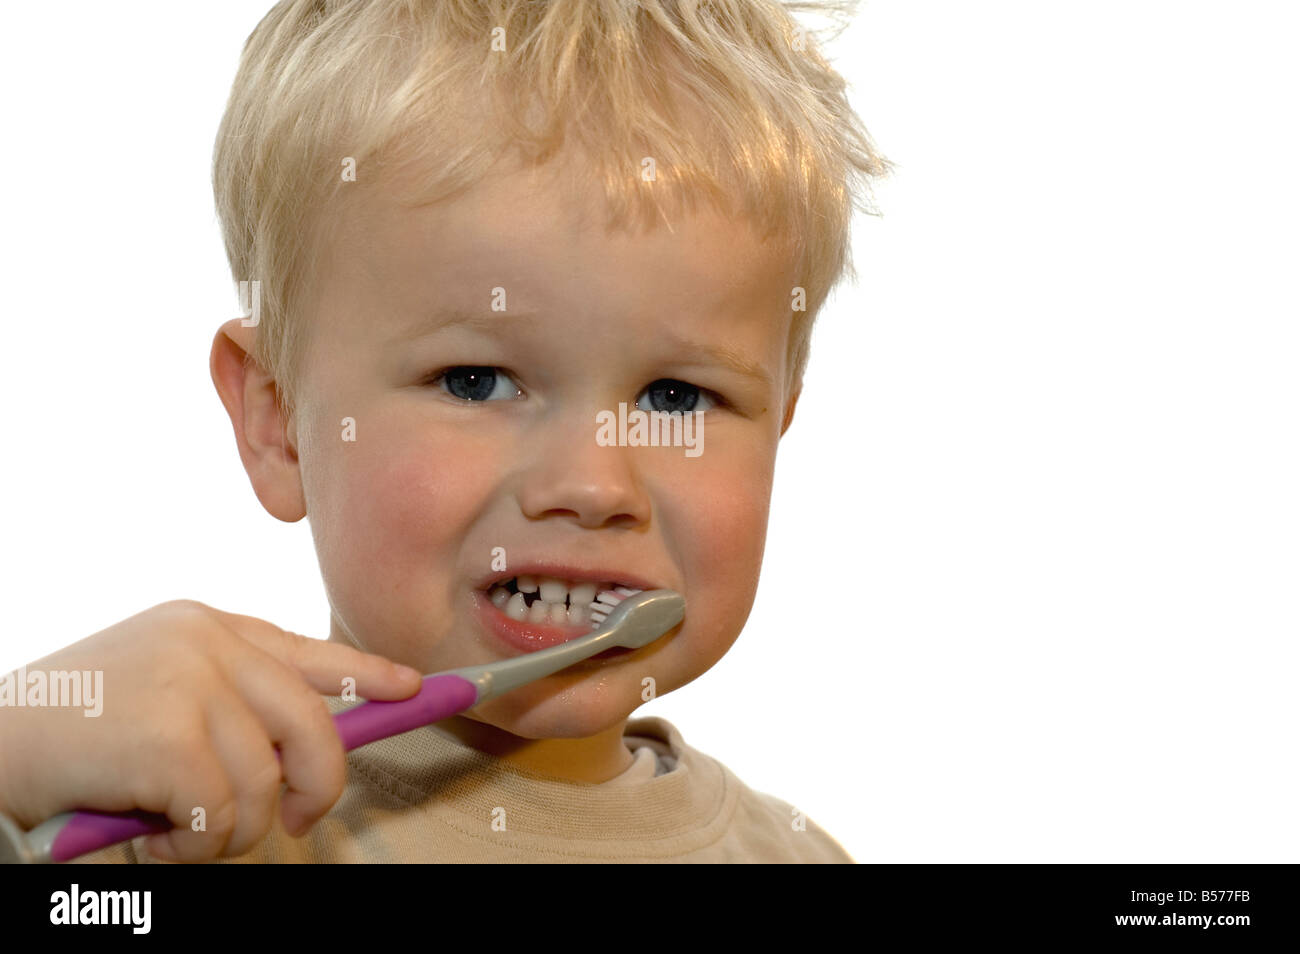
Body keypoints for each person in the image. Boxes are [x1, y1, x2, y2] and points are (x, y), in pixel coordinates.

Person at [0, 0, 891, 863]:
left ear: (781, 424)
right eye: (476, 382)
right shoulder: (175, 831)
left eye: (674, 398)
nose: (591, 484)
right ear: (279, 422)